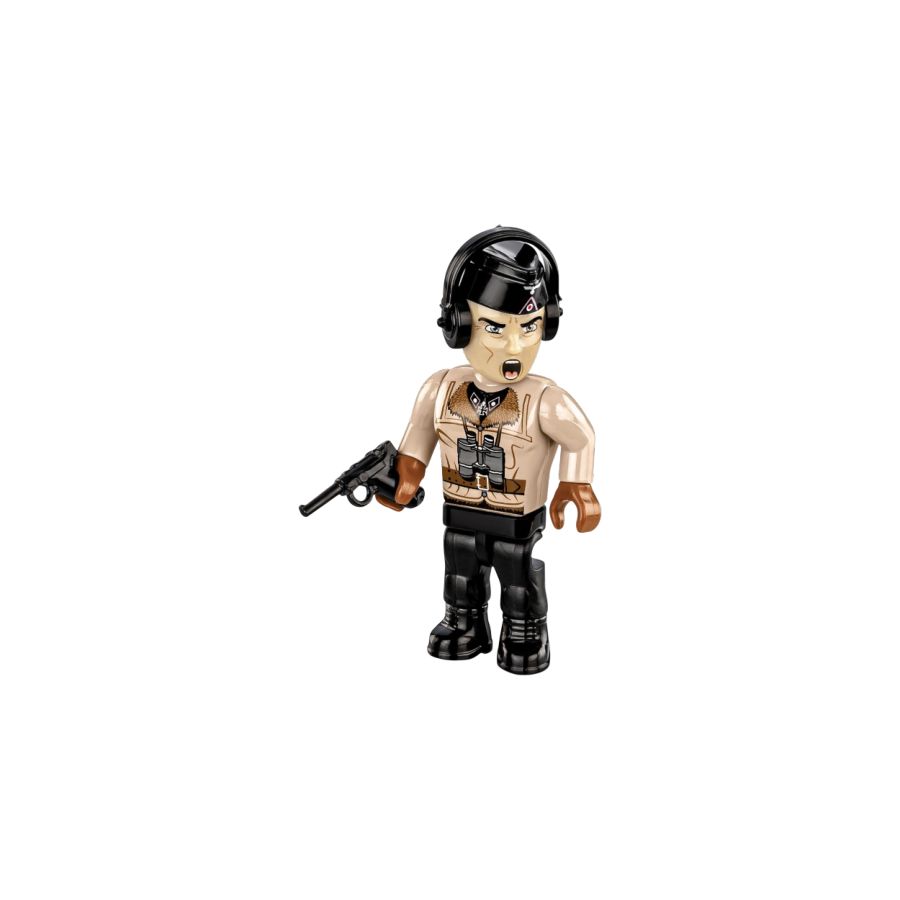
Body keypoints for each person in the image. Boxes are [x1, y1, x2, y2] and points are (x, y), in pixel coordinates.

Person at [377, 227, 600, 674]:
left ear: (547, 323)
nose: (515, 347)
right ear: (458, 324)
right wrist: (404, 476)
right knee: (459, 575)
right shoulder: (440, 388)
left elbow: (579, 437)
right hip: (460, 511)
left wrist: (575, 483)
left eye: (530, 328)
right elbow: (417, 440)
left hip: (515, 517)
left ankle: (524, 630)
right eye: (495, 328)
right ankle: (464, 623)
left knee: (517, 578)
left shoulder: (545, 400)